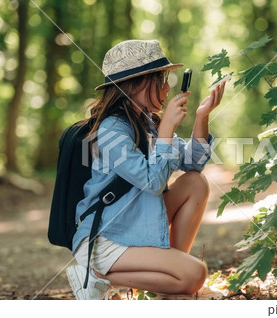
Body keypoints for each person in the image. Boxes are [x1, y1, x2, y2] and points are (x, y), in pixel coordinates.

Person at [66, 39, 226, 300]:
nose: (167, 88)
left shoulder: (148, 124)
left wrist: (202, 117)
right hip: (105, 238)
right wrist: (166, 132)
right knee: (195, 275)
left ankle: (171, 277)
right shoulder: (110, 130)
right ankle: (96, 275)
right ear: (138, 83)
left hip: (133, 227)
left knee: (195, 182)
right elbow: (152, 181)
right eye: (160, 80)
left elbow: (193, 163)